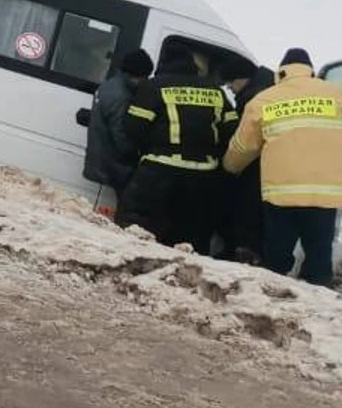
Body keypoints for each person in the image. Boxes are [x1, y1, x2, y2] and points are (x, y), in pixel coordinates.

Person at [223, 49, 342, 287]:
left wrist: (229, 167)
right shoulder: (336, 95)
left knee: (277, 259)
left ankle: (272, 306)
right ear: (310, 69)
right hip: (324, 196)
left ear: (282, 71)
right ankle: (317, 311)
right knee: (319, 259)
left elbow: (243, 147)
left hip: (280, 196)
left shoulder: (264, 100)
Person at [117, 46, 237, 251]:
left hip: (159, 172)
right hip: (202, 177)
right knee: (191, 239)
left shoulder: (154, 87)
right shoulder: (216, 92)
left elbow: (133, 127)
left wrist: (151, 148)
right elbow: (232, 132)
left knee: (135, 233)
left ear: (162, 66)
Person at [217, 59, 275, 262]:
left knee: (246, 212)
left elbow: (246, 142)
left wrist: (229, 166)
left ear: (243, 79)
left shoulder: (254, 99)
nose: (230, 88)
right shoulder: (268, 88)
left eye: (230, 82)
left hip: (255, 168)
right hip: (270, 168)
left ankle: (243, 255)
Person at [85, 48, 152, 202]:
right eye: (145, 76)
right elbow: (121, 136)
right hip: (114, 165)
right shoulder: (122, 96)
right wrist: (137, 157)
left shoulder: (109, 85)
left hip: (102, 159)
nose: (146, 81)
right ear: (136, 74)